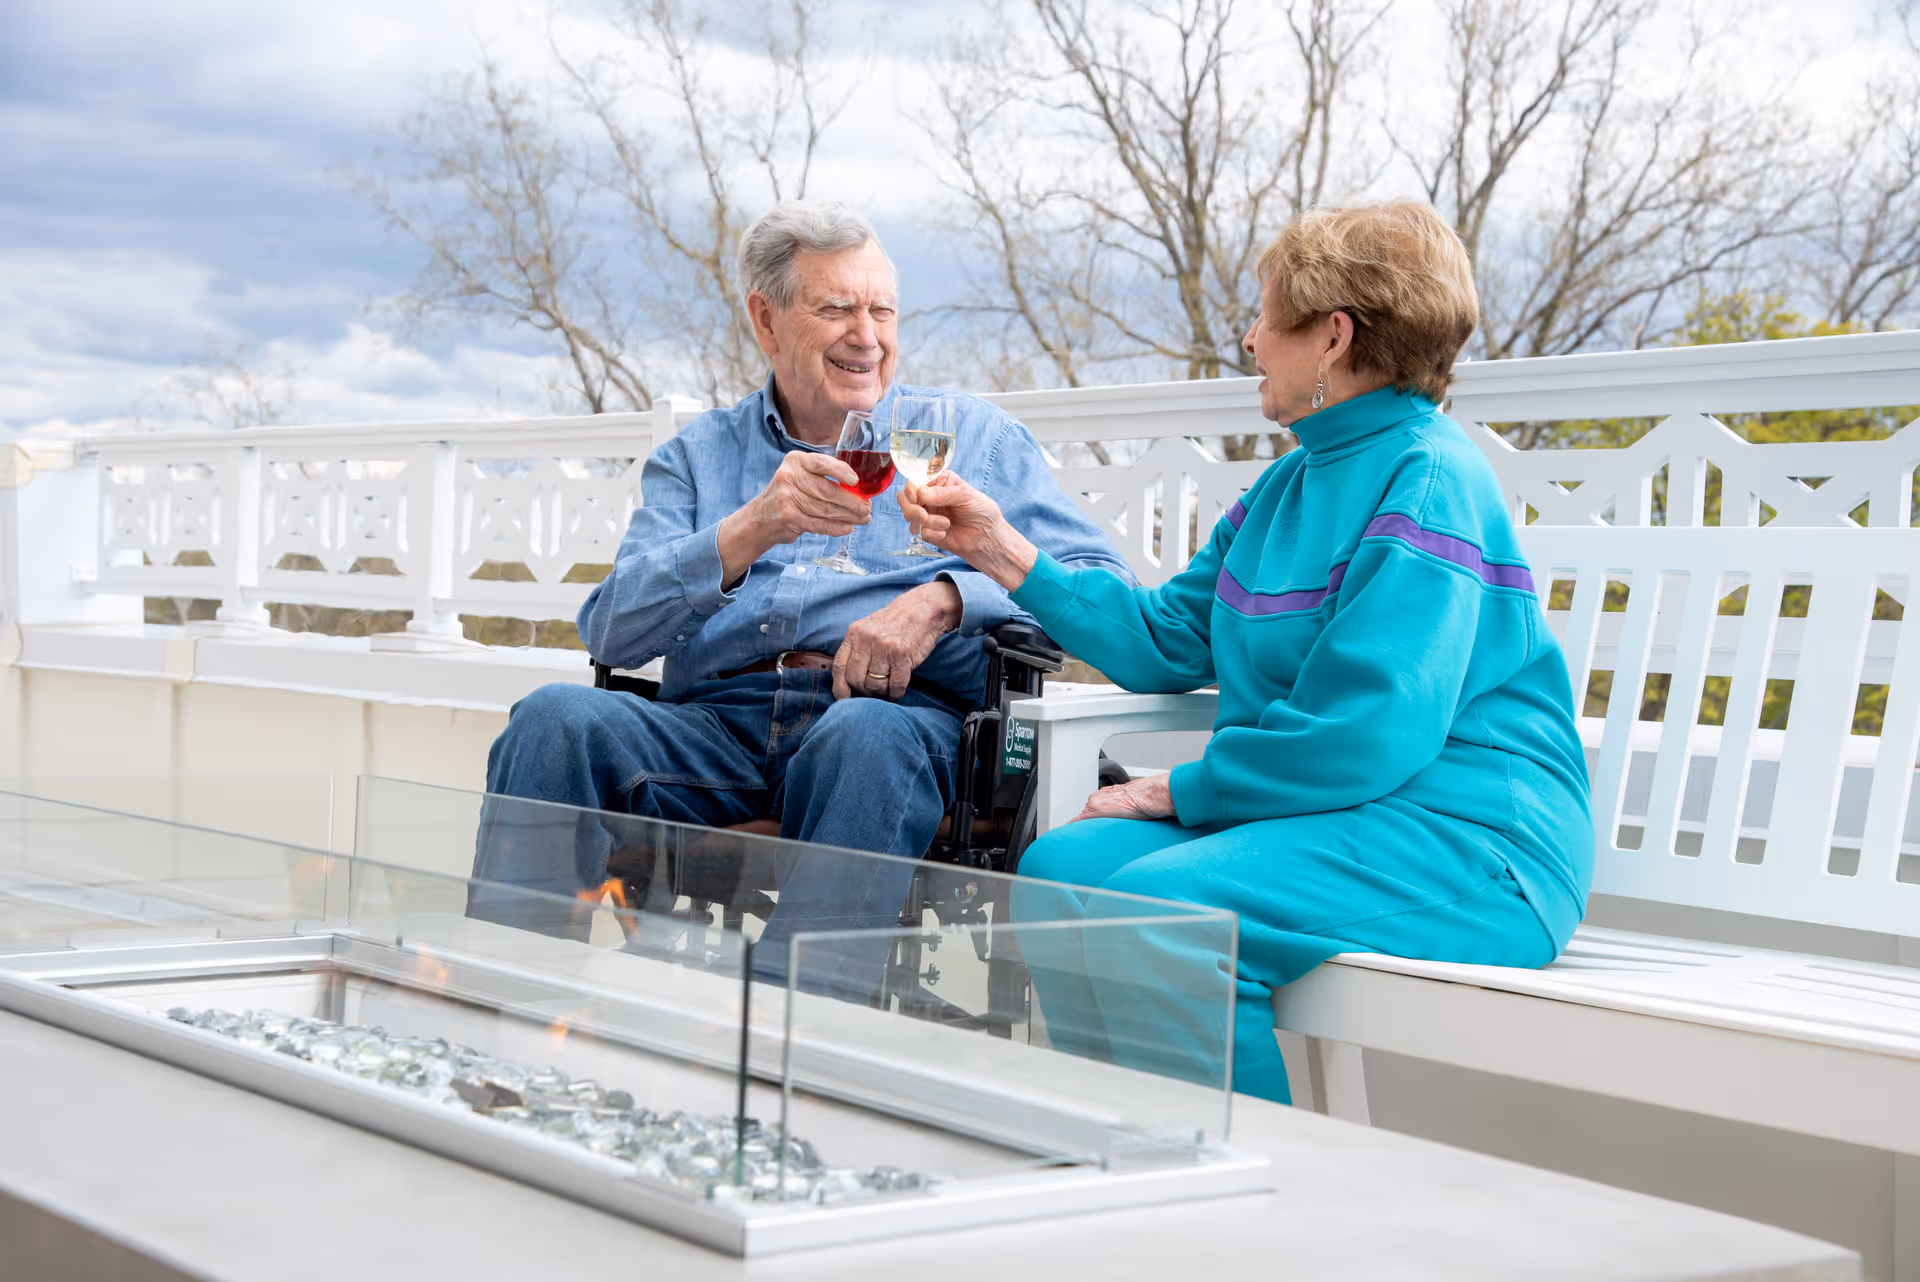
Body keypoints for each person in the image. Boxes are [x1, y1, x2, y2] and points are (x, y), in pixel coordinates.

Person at [904, 199, 1593, 1104]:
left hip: (1471, 840)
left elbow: (1369, 730)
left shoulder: (1429, 478)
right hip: (1334, 815)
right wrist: (997, 548)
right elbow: (1162, 641)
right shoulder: (1288, 483)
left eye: (1268, 317)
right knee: (1059, 874)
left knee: (1161, 915)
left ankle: (1260, 1180)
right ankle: (1125, 1148)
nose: (1251, 339)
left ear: (1334, 336)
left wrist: (1184, 789)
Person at [472, 200, 1131, 989]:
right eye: (837, 309)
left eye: (883, 310)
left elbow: (1100, 586)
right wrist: (747, 530)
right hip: (717, 729)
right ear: (767, 320)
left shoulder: (967, 437)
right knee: (553, 718)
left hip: (890, 719)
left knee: (864, 735)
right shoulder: (698, 457)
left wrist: (949, 598)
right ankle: (506, 1007)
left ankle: (789, 1038)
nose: (867, 335)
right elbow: (611, 632)